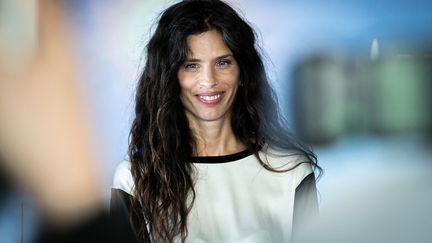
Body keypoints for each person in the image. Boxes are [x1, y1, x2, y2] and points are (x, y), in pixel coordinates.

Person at [111, 0, 322, 242]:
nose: (209, 80)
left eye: (222, 62)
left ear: (242, 71)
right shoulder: (136, 179)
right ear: (169, 77)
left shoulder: (292, 171)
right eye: (191, 65)